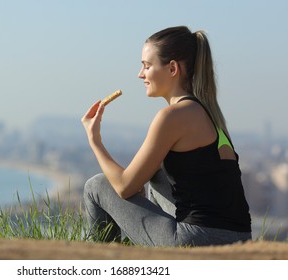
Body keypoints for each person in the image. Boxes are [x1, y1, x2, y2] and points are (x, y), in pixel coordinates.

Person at [81, 26, 252, 247]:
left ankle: (106, 265)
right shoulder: (208, 115)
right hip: (239, 241)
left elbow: (124, 186)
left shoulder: (172, 117)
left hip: (196, 240)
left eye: (147, 66)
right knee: (158, 173)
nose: (140, 74)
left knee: (96, 186)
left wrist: (95, 140)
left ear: (172, 69)